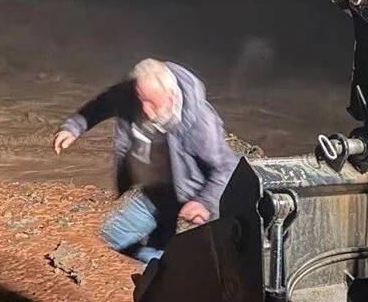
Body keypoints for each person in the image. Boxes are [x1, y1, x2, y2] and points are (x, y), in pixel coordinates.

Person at [52, 58, 237, 264]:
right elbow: (103, 103)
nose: (145, 110)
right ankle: (160, 264)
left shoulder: (200, 123)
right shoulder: (132, 93)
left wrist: (203, 202)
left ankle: (166, 266)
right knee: (113, 238)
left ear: (172, 96)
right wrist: (74, 127)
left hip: (188, 197)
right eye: (142, 99)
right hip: (155, 191)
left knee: (185, 258)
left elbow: (226, 168)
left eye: (153, 103)